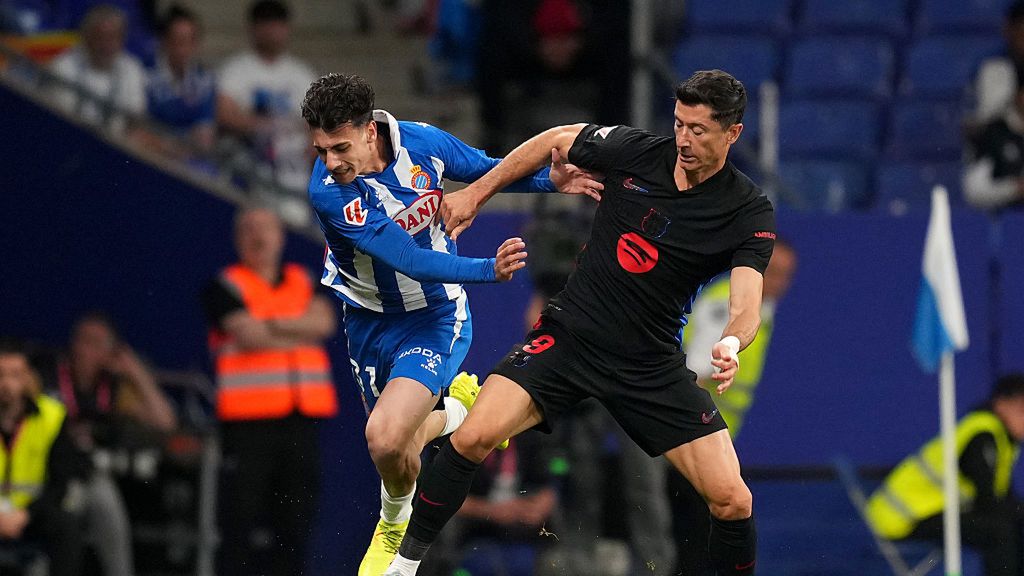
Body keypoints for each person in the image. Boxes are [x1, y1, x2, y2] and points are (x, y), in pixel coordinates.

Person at [384, 69, 775, 576]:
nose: (683, 139)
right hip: (569, 338)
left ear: (733, 133)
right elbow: (555, 140)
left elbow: (746, 306)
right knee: (470, 439)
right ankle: (403, 565)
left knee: (733, 501)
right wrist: (476, 194)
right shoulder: (634, 151)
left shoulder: (746, 209)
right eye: (679, 124)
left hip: (648, 365)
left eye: (699, 130)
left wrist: (729, 343)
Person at [299, 72, 600, 576]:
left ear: (369, 131)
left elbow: (486, 168)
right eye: (320, 149)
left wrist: (552, 180)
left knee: (385, 436)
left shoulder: (425, 144)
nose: (329, 162)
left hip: (435, 317)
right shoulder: (329, 191)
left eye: (339, 147)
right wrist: (488, 269)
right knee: (397, 447)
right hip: (370, 324)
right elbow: (407, 259)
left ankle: (393, 525)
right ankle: (459, 412)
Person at [201, 205, 337, 576]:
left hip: (300, 422)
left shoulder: (303, 278)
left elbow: (324, 323)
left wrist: (269, 322)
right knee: (239, 524)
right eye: (249, 229)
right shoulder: (224, 286)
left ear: (280, 236)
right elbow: (247, 336)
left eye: (266, 228)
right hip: (249, 427)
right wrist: (297, 325)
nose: (258, 237)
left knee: (296, 523)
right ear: (237, 238)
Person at [671, 239, 797, 575]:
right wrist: (694, 440)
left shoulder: (759, 311)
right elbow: (694, 373)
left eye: (787, 276)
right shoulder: (725, 307)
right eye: (773, 272)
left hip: (705, 440)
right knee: (698, 536)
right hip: (692, 442)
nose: (780, 283)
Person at [49, 312, 177, 576]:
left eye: (97, 343)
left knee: (104, 500)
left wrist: (136, 372)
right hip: (49, 473)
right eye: (82, 340)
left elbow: (165, 422)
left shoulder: (115, 387)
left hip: (89, 474)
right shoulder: (49, 375)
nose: (85, 349)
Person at [866, 373, 1024, 576]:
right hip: (901, 520)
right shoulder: (982, 435)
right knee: (998, 532)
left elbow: (1003, 497)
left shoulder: (1004, 440)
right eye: (1021, 410)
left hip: (932, 513)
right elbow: (988, 500)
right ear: (1001, 404)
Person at [0, 340, 86, 576]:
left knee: (66, 524)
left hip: (31, 514)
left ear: (28, 378)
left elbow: (59, 482)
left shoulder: (52, 416)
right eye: (0, 375)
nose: (6, 384)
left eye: (15, 375)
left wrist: (25, 514)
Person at [218, 0, 316, 194]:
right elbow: (224, 114)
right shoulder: (235, 70)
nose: (272, 31)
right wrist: (266, 127)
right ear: (253, 28)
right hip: (250, 161)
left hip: (293, 168)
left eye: (277, 24)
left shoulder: (302, 74)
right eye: (266, 24)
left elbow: (319, 124)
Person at [48, 4, 147, 131]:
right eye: (100, 37)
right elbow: (59, 116)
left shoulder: (132, 70)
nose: (106, 46)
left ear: (122, 40)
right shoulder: (62, 66)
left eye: (113, 38)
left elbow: (135, 121)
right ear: (86, 38)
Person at [145, 4, 217, 157]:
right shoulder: (145, 75)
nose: (184, 49)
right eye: (178, 41)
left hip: (191, 157)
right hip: (152, 155)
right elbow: (139, 129)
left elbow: (205, 133)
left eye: (190, 41)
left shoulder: (205, 79)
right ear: (164, 41)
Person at [964, 85, 1024, 212]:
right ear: (1018, 96)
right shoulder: (995, 134)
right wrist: (1012, 189)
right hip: (1006, 219)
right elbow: (974, 189)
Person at [974, 1, 1024, 125]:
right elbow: (985, 121)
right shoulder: (994, 70)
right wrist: (1015, 103)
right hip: (1006, 138)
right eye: (1021, 31)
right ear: (1009, 30)